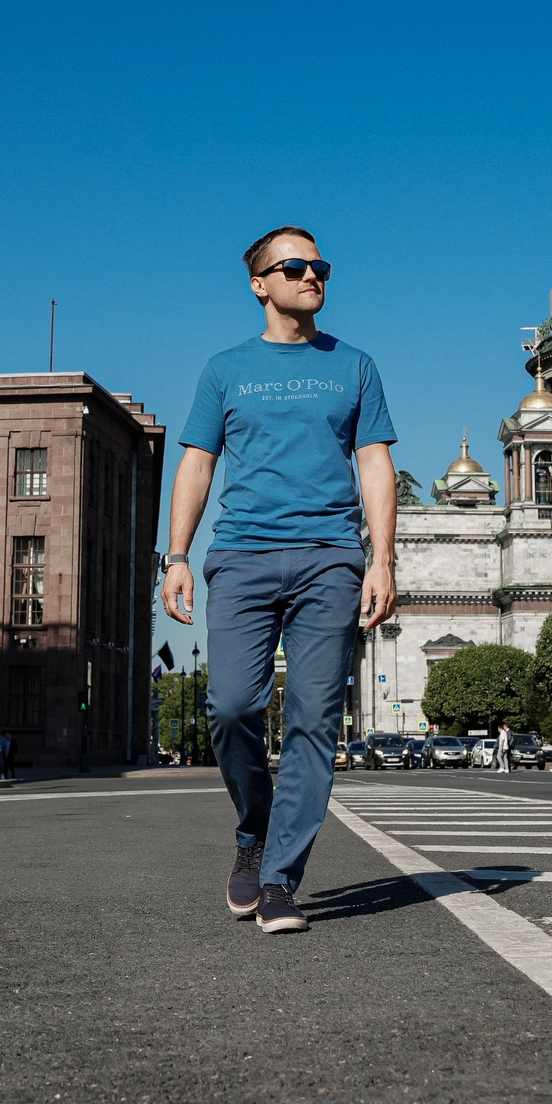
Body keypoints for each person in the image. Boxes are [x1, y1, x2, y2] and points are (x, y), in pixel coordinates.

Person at [159, 225, 397, 936]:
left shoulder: (353, 365)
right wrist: (175, 556)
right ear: (259, 283)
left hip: (330, 555)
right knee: (231, 706)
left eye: (319, 265)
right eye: (293, 267)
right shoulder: (224, 370)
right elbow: (198, 463)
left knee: (314, 721)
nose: (311, 275)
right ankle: (252, 829)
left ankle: (280, 879)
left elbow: (375, 462)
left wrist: (381, 557)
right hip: (243, 555)